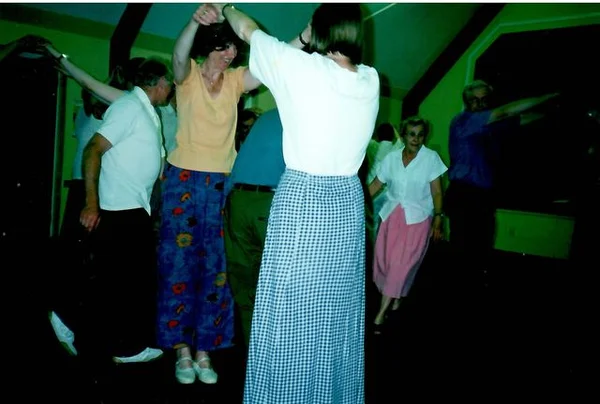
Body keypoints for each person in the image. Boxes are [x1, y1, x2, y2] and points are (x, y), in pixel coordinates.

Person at [203, 3, 379, 402]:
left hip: (305, 197)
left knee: (287, 308)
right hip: (347, 202)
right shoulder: (370, 80)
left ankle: (284, 393)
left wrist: (227, 7)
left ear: (319, 30)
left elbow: (247, 30)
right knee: (335, 311)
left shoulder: (301, 67)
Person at [157, 4, 308, 385]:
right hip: (183, 180)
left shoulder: (238, 80)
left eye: (234, 49)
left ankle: (204, 351)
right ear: (210, 46)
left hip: (219, 184)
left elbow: (274, 60)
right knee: (179, 265)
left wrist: (305, 37)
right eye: (225, 47)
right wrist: (193, 21)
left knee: (216, 269)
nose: (231, 54)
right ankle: (182, 350)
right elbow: (178, 54)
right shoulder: (188, 76)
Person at [78, 58, 172, 383]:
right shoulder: (129, 107)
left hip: (135, 209)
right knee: (122, 284)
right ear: (160, 83)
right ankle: (113, 344)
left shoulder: (147, 111)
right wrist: (91, 203)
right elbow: (93, 149)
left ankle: (120, 344)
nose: (171, 89)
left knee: (124, 283)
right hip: (119, 209)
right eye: (170, 84)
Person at [445, 80, 559, 298]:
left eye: (484, 99)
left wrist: (552, 113)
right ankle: (456, 293)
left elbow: (521, 119)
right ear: (467, 102)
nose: (479, 104)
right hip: (464, 194)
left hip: (482, 197)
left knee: (482, 247)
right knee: (463, 249)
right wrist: (549, 96)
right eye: (474, 100)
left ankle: (472, 290)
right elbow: (507, 111)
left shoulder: (491, 127)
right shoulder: (464, 121)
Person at [368, 116, 447, 333]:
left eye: (420, 135)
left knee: (401, 265)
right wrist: (355, 204)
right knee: (385, 263)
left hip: (418, 219)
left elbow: (437, 192)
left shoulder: (431, 158)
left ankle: (380, 314)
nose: (416, 139)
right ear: (403, 136)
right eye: (411, 134)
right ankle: (395, 297)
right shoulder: (392, 158)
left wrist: (438, 218)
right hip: (391, 217)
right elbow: (376, 185)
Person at [223, 108, 284, 349]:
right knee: (276, 280)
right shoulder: (300, 115)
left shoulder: (267, 117)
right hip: (268, 201)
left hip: (238, 198)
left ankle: (253, 347)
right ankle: (274, 349)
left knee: (243, 279)